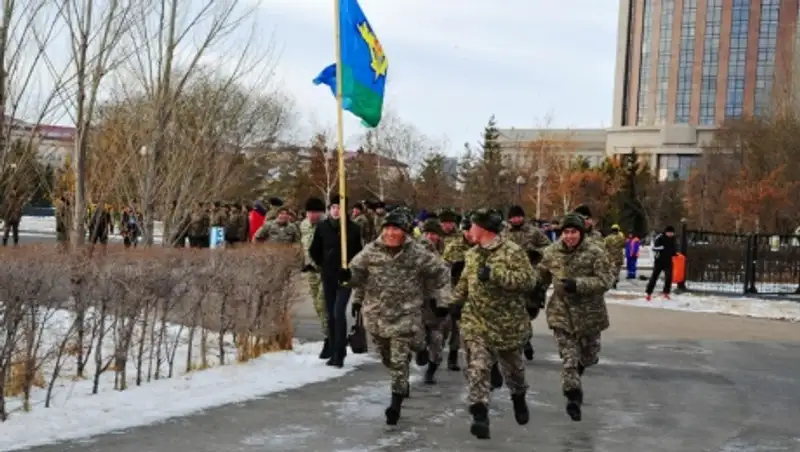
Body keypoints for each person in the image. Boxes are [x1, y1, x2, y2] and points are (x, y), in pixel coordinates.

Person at [343, 209, 450, 425]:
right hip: (377, 314)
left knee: (399, 359)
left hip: (406, 314)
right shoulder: (371, 250)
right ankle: (413, 356)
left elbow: (441, 272)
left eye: (396, 229)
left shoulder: (416, 253)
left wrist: (442, 300)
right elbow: (357, 275)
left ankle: (396, 403)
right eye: (388, 228)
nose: (391, 233)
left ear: (405, 232)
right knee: (387, 357)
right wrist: (347, 278)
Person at [451, 208, 535, 439]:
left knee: (515, 372)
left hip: (507, 324)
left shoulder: (512, 251)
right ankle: (479, 413)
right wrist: (455, 302)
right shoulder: (472, 254)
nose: (469, 230)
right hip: (476, 321)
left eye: (473, 225)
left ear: (484, 228)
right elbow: (465, 282)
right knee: (477, 367)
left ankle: (518, 397)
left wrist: (496, 274)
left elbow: (529, 281)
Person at [535, 213, 614, 422]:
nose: (569, 236)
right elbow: (540, 275)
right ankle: (573, 396)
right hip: (561, 312)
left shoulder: (595, 252)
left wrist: (578, 284)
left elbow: (606, 280)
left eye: (574, 232)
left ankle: (577, 372)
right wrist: (533, 291)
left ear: (581, 233)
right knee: (569, 357)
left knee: (588, 356)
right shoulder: (552, 252)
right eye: (566, 232)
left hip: (589, 313)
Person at [309, 194, 363, 368]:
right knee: (330, 313)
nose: (336, 210)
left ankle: (340, 352)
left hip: (345, 277)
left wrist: (351, 269)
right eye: (333, 207)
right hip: (328, 275)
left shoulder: (353, 229)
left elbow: (359, 254)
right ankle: (334, 349)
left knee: (338, 312)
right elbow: (314, 249)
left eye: (339, 207)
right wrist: (323, 263)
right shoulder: (323, 227)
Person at [300, 197, 329, 358]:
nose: (312, 215)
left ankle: (330, 337)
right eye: (309, 212)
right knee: (318, 306)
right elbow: (302, 245)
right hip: (311, 271)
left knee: (322, 303)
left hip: (324, 271)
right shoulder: (303, 225)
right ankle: (329, 333)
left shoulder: (327, 225)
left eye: (315, 212)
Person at [646, 225, 677, 301]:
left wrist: (674, 253)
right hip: (659, 261)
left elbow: (672, 249)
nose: (671, 234)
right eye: (670, 233)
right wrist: (661, 248)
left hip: (668, 261)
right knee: (654, 277)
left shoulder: (673, 239)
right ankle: (649, 293)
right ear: (666, 232)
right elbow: (654, 248)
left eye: (672, 233)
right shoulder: (660, 237)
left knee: (669, 277)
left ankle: (666, 293)